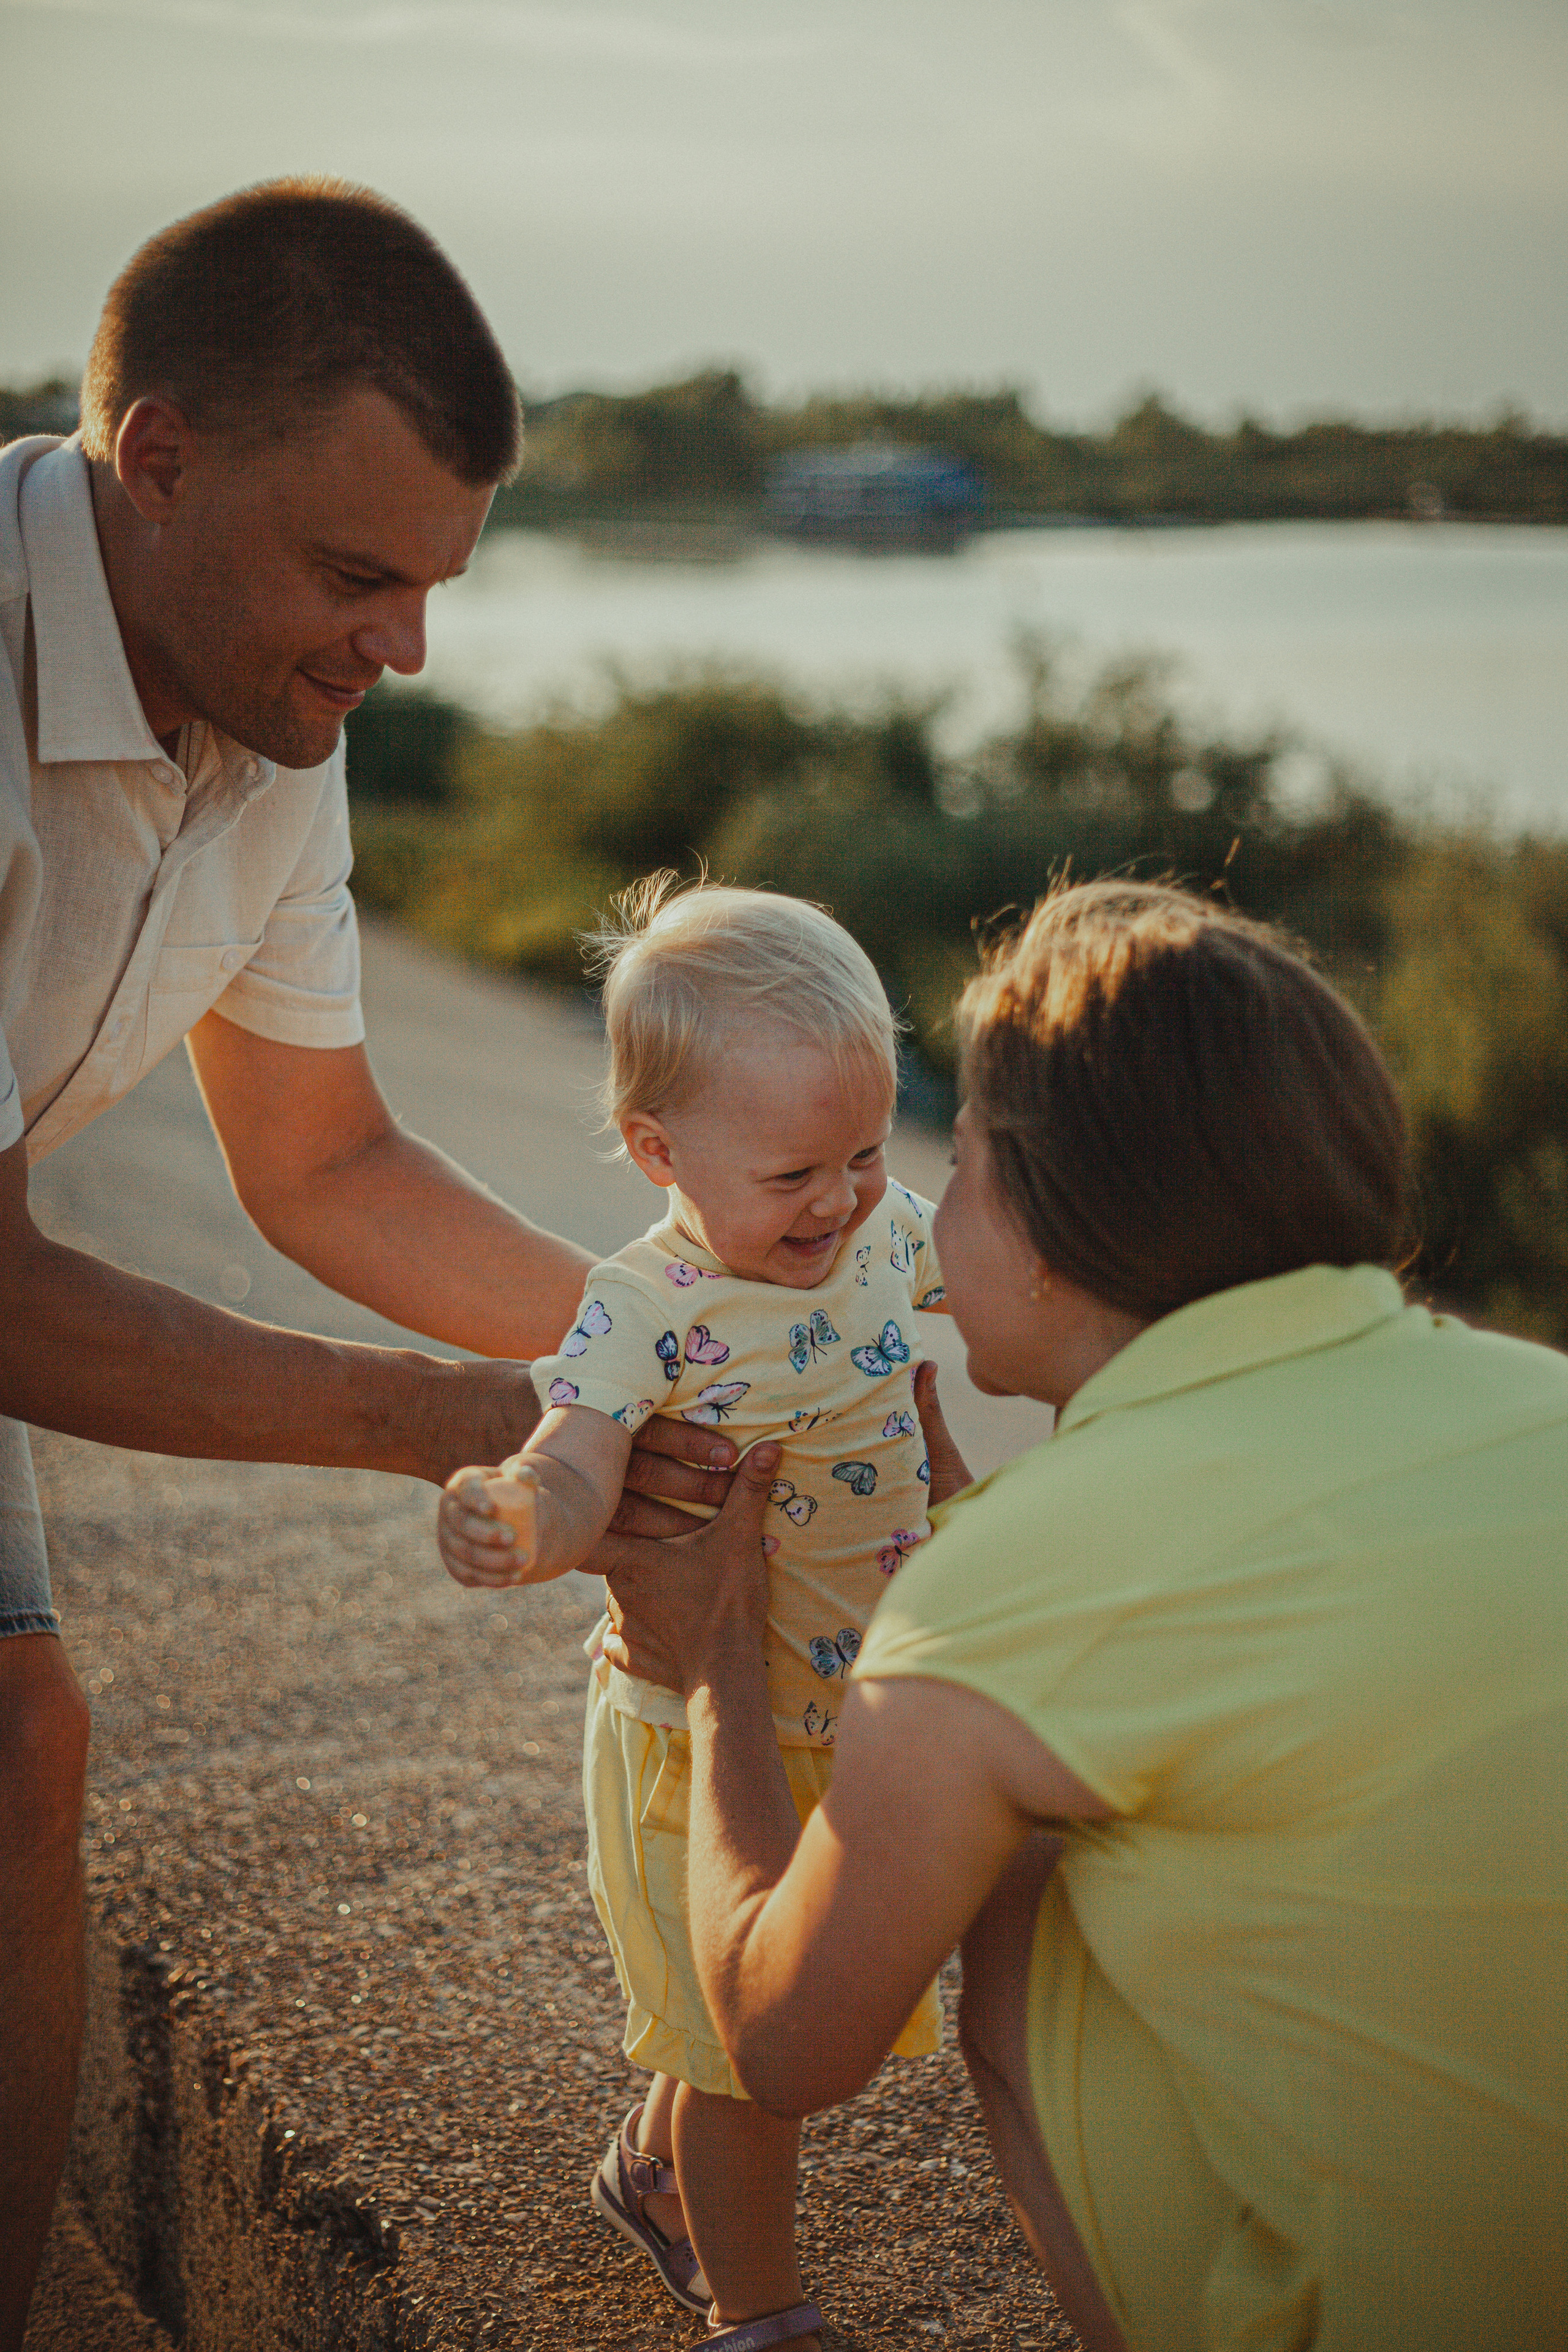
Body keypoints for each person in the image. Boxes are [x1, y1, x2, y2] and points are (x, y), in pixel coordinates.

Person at [0, 180, 727, 2350]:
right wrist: (449, 1421)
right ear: (161, 459)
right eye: (357, 574)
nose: (403, 647)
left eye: (432, 584)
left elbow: (323, 1160)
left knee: (23, 1753)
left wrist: (680, 1343)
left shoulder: (259, 695)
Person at [598, 880, 1568, 2352]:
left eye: (954, 1159)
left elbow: (783, 2047)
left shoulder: (1015, 1596)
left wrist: (718, 1647)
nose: (893, 1204)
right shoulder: (1539, 1403)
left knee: (1021, 1863)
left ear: (1049, 1228)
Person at [437, 880, 951, 2350]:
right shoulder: (639, 1307)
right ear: (660, 1152)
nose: (840, 1200)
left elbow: (967, 1296)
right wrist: (520, 1519)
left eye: (862, 1152)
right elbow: (579, 1452)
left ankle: (649, 2172)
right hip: (688, 1722)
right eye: (794, 1172)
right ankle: (759, 2311)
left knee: (752, 1985)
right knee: (745, 2048)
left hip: (852, 1701)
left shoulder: (878, 1229)